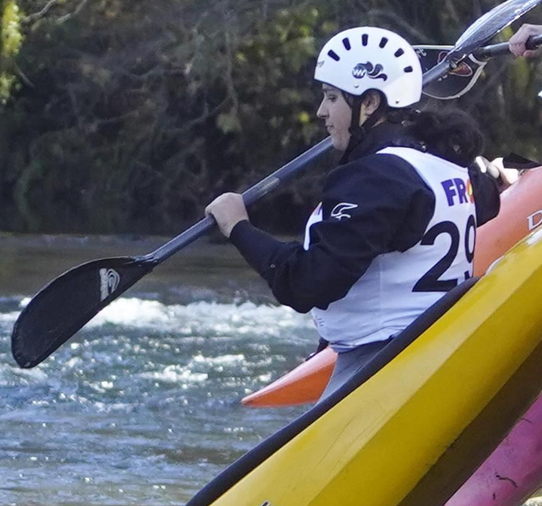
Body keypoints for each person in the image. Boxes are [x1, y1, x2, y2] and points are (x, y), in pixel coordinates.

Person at [205, 26, 499, 400]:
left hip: (387, 360)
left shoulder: (375, 177)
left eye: (331, 97)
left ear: (370, 103)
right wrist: (492, 174)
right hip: (443, 344)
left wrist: (238, 227)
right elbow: (487, 202)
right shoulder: (449, 162)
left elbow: (306, 284)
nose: (321, 111)